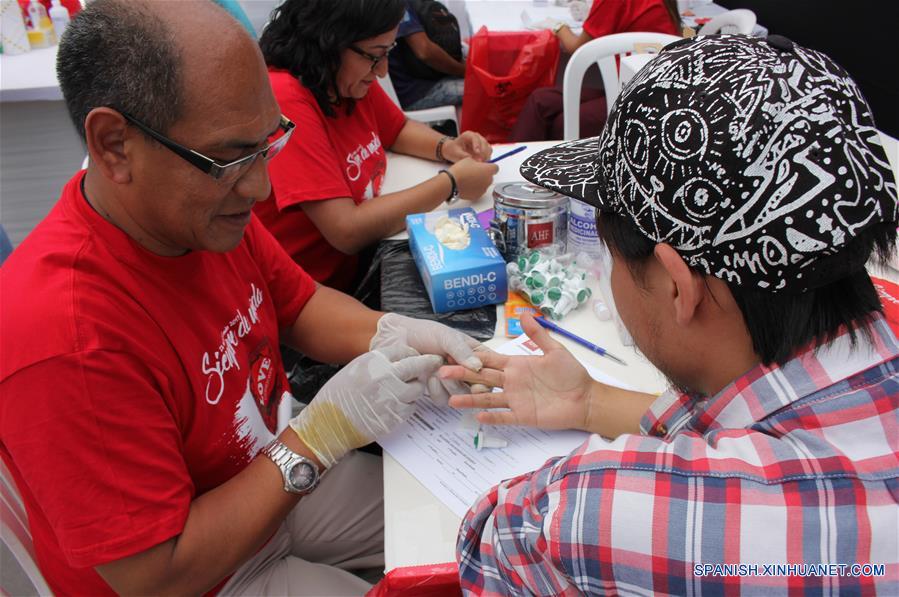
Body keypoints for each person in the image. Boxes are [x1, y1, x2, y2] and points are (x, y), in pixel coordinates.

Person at [0, 1, 483, 595]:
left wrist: (396, 334)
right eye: (230, 159)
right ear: (115, 145)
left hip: (269, 473)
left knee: (476, 518)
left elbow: (300, 305)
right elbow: (157, 574)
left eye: (267, 145)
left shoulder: (196, 209)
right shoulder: (65, 338)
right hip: (202, 570)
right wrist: (319, 437)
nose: (259, 189)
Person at [442, 35, 899, 594]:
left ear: (679, 286)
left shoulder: (584, 513)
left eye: (611, 255)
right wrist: (591, 403)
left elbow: (489, 545)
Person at [256, 0, 497, 292]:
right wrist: (451, 184)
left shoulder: (341, 77)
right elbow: (346, 230)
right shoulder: (287, 100)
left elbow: (396, 129)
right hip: (319, 291)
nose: (382, 71)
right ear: (330, 41)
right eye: (375, 56)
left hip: (367, 256)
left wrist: (447, 146)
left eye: (388, 53)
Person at [509, 0, 681, 142]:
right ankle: (515, 168)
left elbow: (576, 47)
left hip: (645, 100)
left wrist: (559, 27)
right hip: (641, 86)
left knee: (562, 123)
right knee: (540, 101)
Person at [388, 0, 466, 111]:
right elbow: (425, 52)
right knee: (481, 89)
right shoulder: (398, 5)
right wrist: (464, 71)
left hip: (427, 79)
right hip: (413, 92)